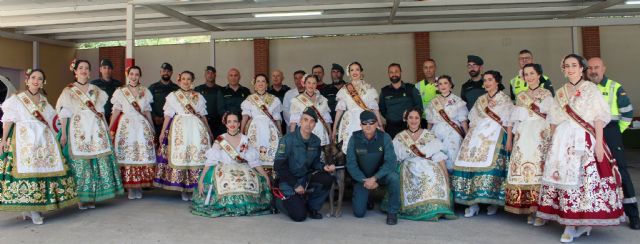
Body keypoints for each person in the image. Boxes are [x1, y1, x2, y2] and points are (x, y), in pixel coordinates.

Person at [537, 54, 624, 242]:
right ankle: (569, 222)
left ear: (581, 68)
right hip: (562, 139)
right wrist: (551, 142)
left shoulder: (591, 89)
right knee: (564, 178)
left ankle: (581, 222)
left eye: (574, 65)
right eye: (567, 66)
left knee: (584, 181)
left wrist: (599, 144)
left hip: (584, 138)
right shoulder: (560, 92)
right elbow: (553, 119)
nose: (570, 69)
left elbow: (599, 117)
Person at [0, 69, 77, 224]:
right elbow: (8, 120)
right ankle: (31, 209)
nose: (36, 81)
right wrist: (3, 139)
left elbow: (51, 120)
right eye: (33, 78)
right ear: (27, 81)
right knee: (29, 172)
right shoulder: (17, 99)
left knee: (40, 172)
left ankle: (34, 208)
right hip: (23, 140)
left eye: (40, 79)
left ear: (43, 83)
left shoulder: (44, 100)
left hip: (43, 140)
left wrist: (60, 136)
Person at [56, 60, 124, 209]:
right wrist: (64, 134)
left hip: (95, 127)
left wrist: (106, 128)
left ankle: (92, 196)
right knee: (81, 163)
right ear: (75, 71)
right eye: (81, 68)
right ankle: (81, 198)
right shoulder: (68, 90)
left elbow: (100, 111)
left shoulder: (96, 89)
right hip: (78, 127)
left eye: (87, 68)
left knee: (96, 161)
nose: (84, 70)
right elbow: (64, 113)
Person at [451, 70, 513, 218]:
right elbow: (473, 118)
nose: (486, 83)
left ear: (497, 82)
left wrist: (510, 139)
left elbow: (509, 121)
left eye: (490, 80)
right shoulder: (480, 100)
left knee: (493, 167)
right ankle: (473, 203)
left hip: (496, 134)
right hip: (478, 135)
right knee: (468, 163)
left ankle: (493, 202)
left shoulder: (505, 99)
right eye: (485, 80)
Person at [587, 57, 638, 230]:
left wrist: (617, 132)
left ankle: (633, 215)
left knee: (620, 171)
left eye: (597, 67)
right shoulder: (585, 89)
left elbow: (627, 113)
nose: (593, 70)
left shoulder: (614, 87)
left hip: (610, 131)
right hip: (591, 133)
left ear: (604, 68)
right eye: (590, 68)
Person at [192, 111, 273, 217]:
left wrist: (266, 176)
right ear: (225, 124)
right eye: (229, 121)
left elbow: (254, 161)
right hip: (225, 167)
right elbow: (210, 161)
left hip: (243, 167)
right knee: (228, 182)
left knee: (247, 183)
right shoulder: (221, 139)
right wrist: (201, 179)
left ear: (239, 124)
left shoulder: (244, 139)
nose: (232, 124)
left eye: (235, 121)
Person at [504, 63, 554, 224]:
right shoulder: (521, 95)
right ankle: (529, 207)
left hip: (541, 133)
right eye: (526, 74)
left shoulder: (546, 93)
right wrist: (511, 139)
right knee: (525, 169)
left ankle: (541, 211)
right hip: (523, 134)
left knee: (540, 169)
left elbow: (552, 117)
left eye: (532, 73)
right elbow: (514, 119)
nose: (529, 77)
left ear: (539, 75)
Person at [154, 71, 212, 201]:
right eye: (183, 79)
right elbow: (168, 115)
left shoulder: (198, 96)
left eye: (189, 79)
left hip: (196, 129)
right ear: (179, 81)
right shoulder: (173, 96)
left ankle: (194, 187)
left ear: (192, 81)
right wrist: (163, 131)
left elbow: (202, 115)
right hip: (179, 129)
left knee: (195, 156)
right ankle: (183, 189)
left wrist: (208, 131)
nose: (186, 81)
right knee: (183, 156)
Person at [391, 107, 456, 221]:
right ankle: (420, 210)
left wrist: (446, 176)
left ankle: (438, 208)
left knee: (433, 173)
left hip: (428, 164)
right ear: (406, 119)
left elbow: (438, 156)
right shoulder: (400, 137)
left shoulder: (428, 135)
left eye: (417, 118)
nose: (413, 120)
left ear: (420, 120)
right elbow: (394, 158)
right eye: (410, 117)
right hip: (409, 166)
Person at [274, 108, 335, 221]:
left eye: (312, 121)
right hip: (288, 181)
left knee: (327, 178)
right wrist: (295, 185)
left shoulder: (315, 140)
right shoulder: (287, 140)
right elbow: (278, 166)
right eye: (305, 120)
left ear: (315, 124)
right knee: (299, 216)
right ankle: (279, 202)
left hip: (305, 179)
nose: (308, 124)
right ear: (300, 121)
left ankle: (312, 207)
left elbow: (315, 162)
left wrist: (324, 167)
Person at [109, 66, 155, 200]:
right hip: (126, 125)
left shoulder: (145, 91)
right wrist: (110, 127)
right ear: (127, 75)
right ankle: (130, 188)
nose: (134, 77)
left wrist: (152, 127)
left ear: (140, 76)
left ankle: (139, 186)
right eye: (132, 74)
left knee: (141, 154)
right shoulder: (120, 92)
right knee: (127, 154)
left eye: (137, 74)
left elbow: (147, 111)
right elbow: (116, 111)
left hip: (141, 125)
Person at [346, 110, 399, 225]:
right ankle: (367, 198)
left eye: (371, 122)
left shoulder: (385, 137)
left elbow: (391, 162)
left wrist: (375, 178)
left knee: (394, 177)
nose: (368, 125)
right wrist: (364, 180)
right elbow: (351, 164)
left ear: (376, 124)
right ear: (360, 125)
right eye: (365, 123)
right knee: (359, 213)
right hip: (363, 178)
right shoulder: (354, 138)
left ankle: (392, 212)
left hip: (380, 176)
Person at [332, 62, 383, 153]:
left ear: (361, 72)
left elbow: (375, 109)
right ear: (349, 73)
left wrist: (380, 125)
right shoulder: (344, 90)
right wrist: (334, 128)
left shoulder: (369, 89)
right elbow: (340, 110)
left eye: (357, 69)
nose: (354, 72)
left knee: (368, 149)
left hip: (366, 120)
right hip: (349, 121)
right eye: (352, 70)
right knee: (351, 149)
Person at [426, 75, 468, 172]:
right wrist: (427, 135)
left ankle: (454, 176)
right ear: (437, 86)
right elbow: (430, 122)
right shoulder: (433, 102)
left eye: (445, 83)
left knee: (452, 152)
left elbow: (463, 121)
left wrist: (467, 136)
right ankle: (442, 177)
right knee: (437, 153)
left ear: (450, 85)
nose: (443, 86)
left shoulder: (457, 100)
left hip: (453, 131)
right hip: (437, 131)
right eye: (440, 84)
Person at [241, 74, 283, 168]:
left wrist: (280, 133)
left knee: (271, 151)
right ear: (254, 84)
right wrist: (241, 132)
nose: (260, 83)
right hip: (254, 129)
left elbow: (277, 119)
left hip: (270, 128)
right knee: (254, 152)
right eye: (258, 81)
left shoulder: (274, 99)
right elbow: (245, 117)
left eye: (263, 81)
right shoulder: (249, 99)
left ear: (267, 84)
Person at [379, 63, 422, 138]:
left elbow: (419, 107)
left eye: (396, 71)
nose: (394, 74)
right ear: (388, 74)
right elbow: (382, 110)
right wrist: (391, 117)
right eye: (391, 72)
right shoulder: (384, 91)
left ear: (400, 72)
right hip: (391, 129)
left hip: (409, 127)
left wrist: (411, 118)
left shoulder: (411, 88)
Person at [289, 75, 332, 147]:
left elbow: (327, 118)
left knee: (320, 155)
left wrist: (330, 133)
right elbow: (293, 121)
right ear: (304, 84)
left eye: (314, 83)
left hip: (321, 131)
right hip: (304, 131)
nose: (311, 85)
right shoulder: (297, 100)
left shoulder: (322, 99)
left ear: (317, 84)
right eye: (309, 83)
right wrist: (292, 136)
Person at [149, 62, 179, 138]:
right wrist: (154, 117)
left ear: (172, 73)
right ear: (160, 72)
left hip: (172, 123)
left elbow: (179, 106)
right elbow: (147, 105)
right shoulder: (153, 88)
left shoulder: (176, 89)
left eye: (168, 71)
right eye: (164, 71)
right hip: (156, 123)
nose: (166, 73)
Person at [91, 59, 123, 124]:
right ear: (100, 69)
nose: (107, 70)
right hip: (99, 115)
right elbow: (91, 100)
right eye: (104, 68)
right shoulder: (94, 84)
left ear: (112, 70)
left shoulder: (118, 84)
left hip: (114, 115)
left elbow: (122, 102)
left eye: (109, 68)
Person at [195, 66, 223, 138]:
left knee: (218, 144)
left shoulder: (221, 89)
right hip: (202, 121)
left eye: (212, 73)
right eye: (208, 73)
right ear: (205, 75)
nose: (210, 75)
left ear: (215, 75)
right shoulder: (198, 89)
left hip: (218, 124)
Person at [268, 69, 290, 134]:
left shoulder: (288, 91)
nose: (275, 78)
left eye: (278, 76)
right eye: (274, 76)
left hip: (286, 122)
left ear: (282, 78)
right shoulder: (267, 92)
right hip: (272, 122)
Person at [416, 59, 438, 123]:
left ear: (435, 68)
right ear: (423, 69)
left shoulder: (443, 83)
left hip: (442, 121)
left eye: (431, 67)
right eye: (426, 67)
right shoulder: (417, 86)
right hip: (424, 121)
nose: (428, 70)